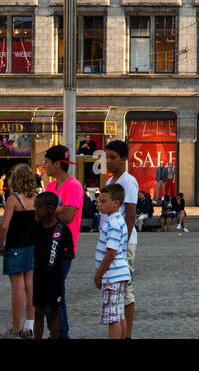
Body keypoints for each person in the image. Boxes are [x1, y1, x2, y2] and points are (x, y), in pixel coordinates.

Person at [42, 144, 83, 339]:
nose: (44, 166)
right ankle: (55, 332)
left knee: (55, 293)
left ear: (57, 164)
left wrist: (51, 210)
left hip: (64, 247)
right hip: (47, 245)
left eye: (47, 162)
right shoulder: (50, 186)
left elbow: (68, 215)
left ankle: (61, 334)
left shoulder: (73, 186)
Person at [101, 141, 139, 337]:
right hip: (112, 241)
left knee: (125, 290)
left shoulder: (128, 181)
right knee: (117, 290)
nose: (108, 161)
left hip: (123, 242)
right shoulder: (110, 183)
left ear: (124, 159)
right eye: (106, 157)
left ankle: (127, 334)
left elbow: (130, 215)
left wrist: (121, 245)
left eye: (113, 157)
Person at [0, 163, 38, 338]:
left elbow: (4, 226)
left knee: (17, 288)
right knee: (31, 285)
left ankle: (15, 328)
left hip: (15, 245)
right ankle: (30, 325)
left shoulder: (14, 199)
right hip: (31, 245)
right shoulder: (36, 198)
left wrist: (0, 244)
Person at [28, 191, 72, 339]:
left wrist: (56, 259)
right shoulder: (34, 228)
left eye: (39, 207)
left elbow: (70, 252)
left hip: (55, 278)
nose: (36, 210)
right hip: (38, 277)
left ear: (51, 208)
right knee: (38, 312)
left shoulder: (62, 229)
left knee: (54, 312)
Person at [92, 185, 130, 339]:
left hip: (112, 275)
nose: (99, 204)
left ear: (116, 203)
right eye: (99, 200)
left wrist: (99, 274)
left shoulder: (113, 223)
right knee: (119, 314)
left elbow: (110, 252)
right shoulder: (116, 220)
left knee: (112, 318)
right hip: (120, 273)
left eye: (103, 201)